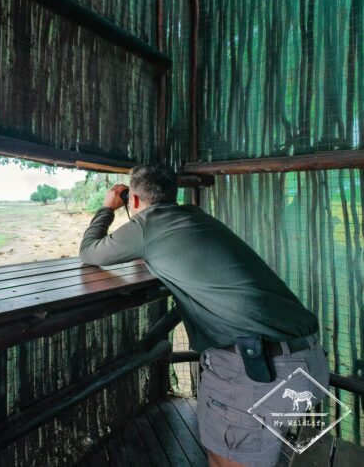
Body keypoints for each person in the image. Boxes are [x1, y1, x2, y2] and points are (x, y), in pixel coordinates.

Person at [79, 164, 329, 467]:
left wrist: (108, 207)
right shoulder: (194, 216)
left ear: (132, 200)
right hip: (307, 360)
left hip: (257, 371)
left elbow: (90, 252)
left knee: (225, 461)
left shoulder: (148, 224)